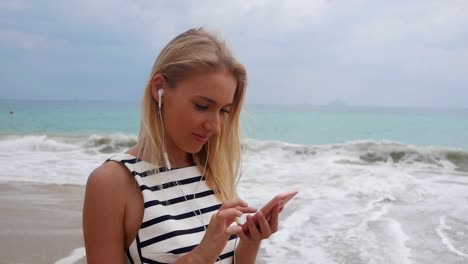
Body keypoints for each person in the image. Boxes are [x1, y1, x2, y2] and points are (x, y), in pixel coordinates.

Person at [82, 27, 281, 264]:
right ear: (159, 89)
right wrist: (199, 257)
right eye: (202, 106)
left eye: (224, 111)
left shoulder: (210, 172)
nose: (215, 126)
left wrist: (250, 242)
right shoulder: (114, 183)